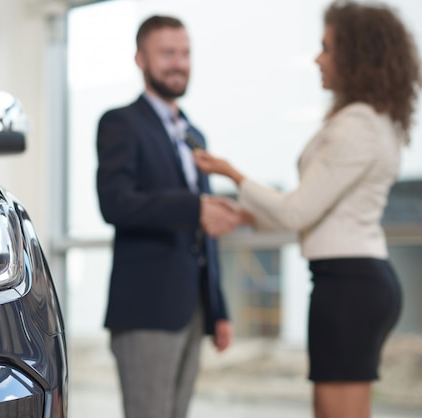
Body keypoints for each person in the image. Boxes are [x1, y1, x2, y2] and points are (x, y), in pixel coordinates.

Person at [192, 1, 421, 417]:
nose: (318, 58)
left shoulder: (358, 125)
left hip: (349, 284)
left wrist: (232, 173)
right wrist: (244, 215)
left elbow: (297, 213)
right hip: (351, 280)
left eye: (327, 48)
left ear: (357, 55)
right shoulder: (371, 120)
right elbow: (317, 211)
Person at [95, 15, 241, 418]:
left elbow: (206, 231)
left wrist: (219, 309)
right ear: (141, 59)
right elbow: (115, 203)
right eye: (167, 54)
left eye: (185, 53)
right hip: (146, 306)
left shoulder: (195, 134)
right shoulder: (121, 123)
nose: (179, 63)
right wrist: (193, 207)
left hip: (192, 305)